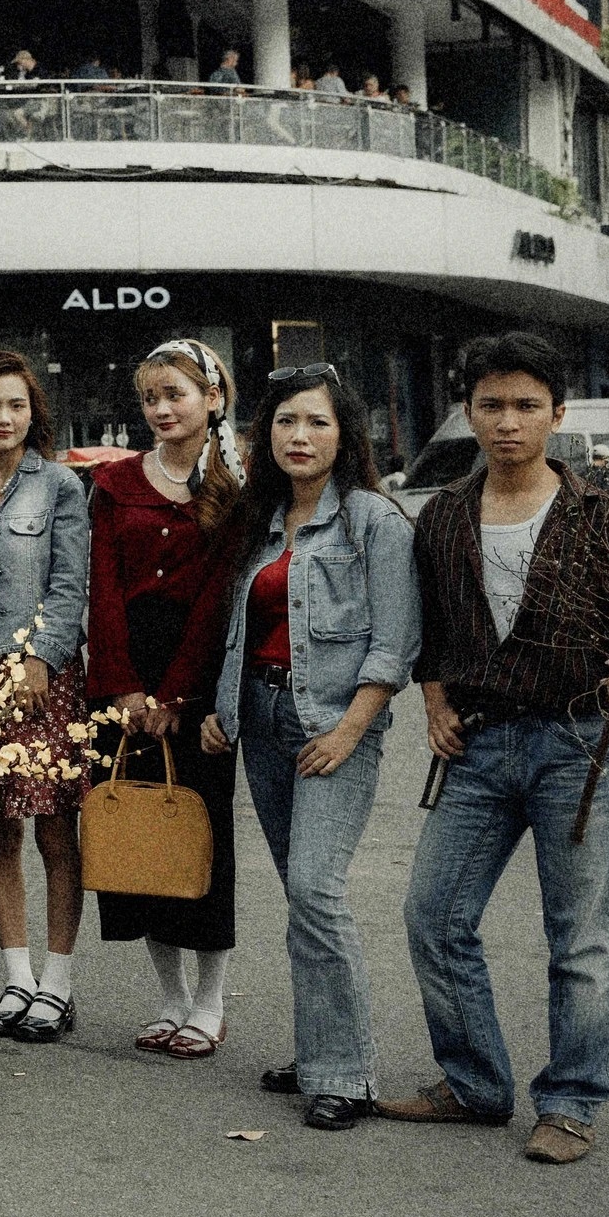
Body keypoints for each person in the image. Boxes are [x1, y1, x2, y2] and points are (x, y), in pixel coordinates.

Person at [381, 332, 609, 1166]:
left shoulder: (596, 515)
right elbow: (430, 630)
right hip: (479, 746)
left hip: (574, 746)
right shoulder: (441, 516)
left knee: (579, 937)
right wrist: (433, 697)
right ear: (468, 412)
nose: (509, 422)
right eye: (493, 405)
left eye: (527, 406)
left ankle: (571, 1101)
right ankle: (474, 1082)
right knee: (433, 915)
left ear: (557, 415)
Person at [199, 365, 418, 1130]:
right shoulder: (260, 521)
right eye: (287, 422)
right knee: (300, 894)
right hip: (260, 719)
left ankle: (346, 1073)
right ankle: (320, 1049)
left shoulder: (372, 520)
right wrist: (221, 707)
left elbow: (395, 645)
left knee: (319, 891)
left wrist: (349, 730)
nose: (301, 436)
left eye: (318, 422)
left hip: (332, 725)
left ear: (344, 433)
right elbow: (241, 629)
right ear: (266, 435)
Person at [87, 338, 242, 1061]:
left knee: (198, 838)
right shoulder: (115, 481)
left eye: (175, 394)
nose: (161, 409)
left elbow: (220, 598)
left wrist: (179, 693)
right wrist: (121, 685)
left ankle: (210, 1002)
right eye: (150, 397)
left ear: (213, 398)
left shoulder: (237, 485)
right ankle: (170, 996)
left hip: (200, 676)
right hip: (122, 678)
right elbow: (103, 589)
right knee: (137, 839)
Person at [0, 352, 94, 1043]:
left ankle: (57, 983)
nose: (5, 418)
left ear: (35, 415)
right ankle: (17, 978)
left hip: (37, 673)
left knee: (55, 827)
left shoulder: (58, 484)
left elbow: (70, 584)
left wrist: (39, 659)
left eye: (18, 406)